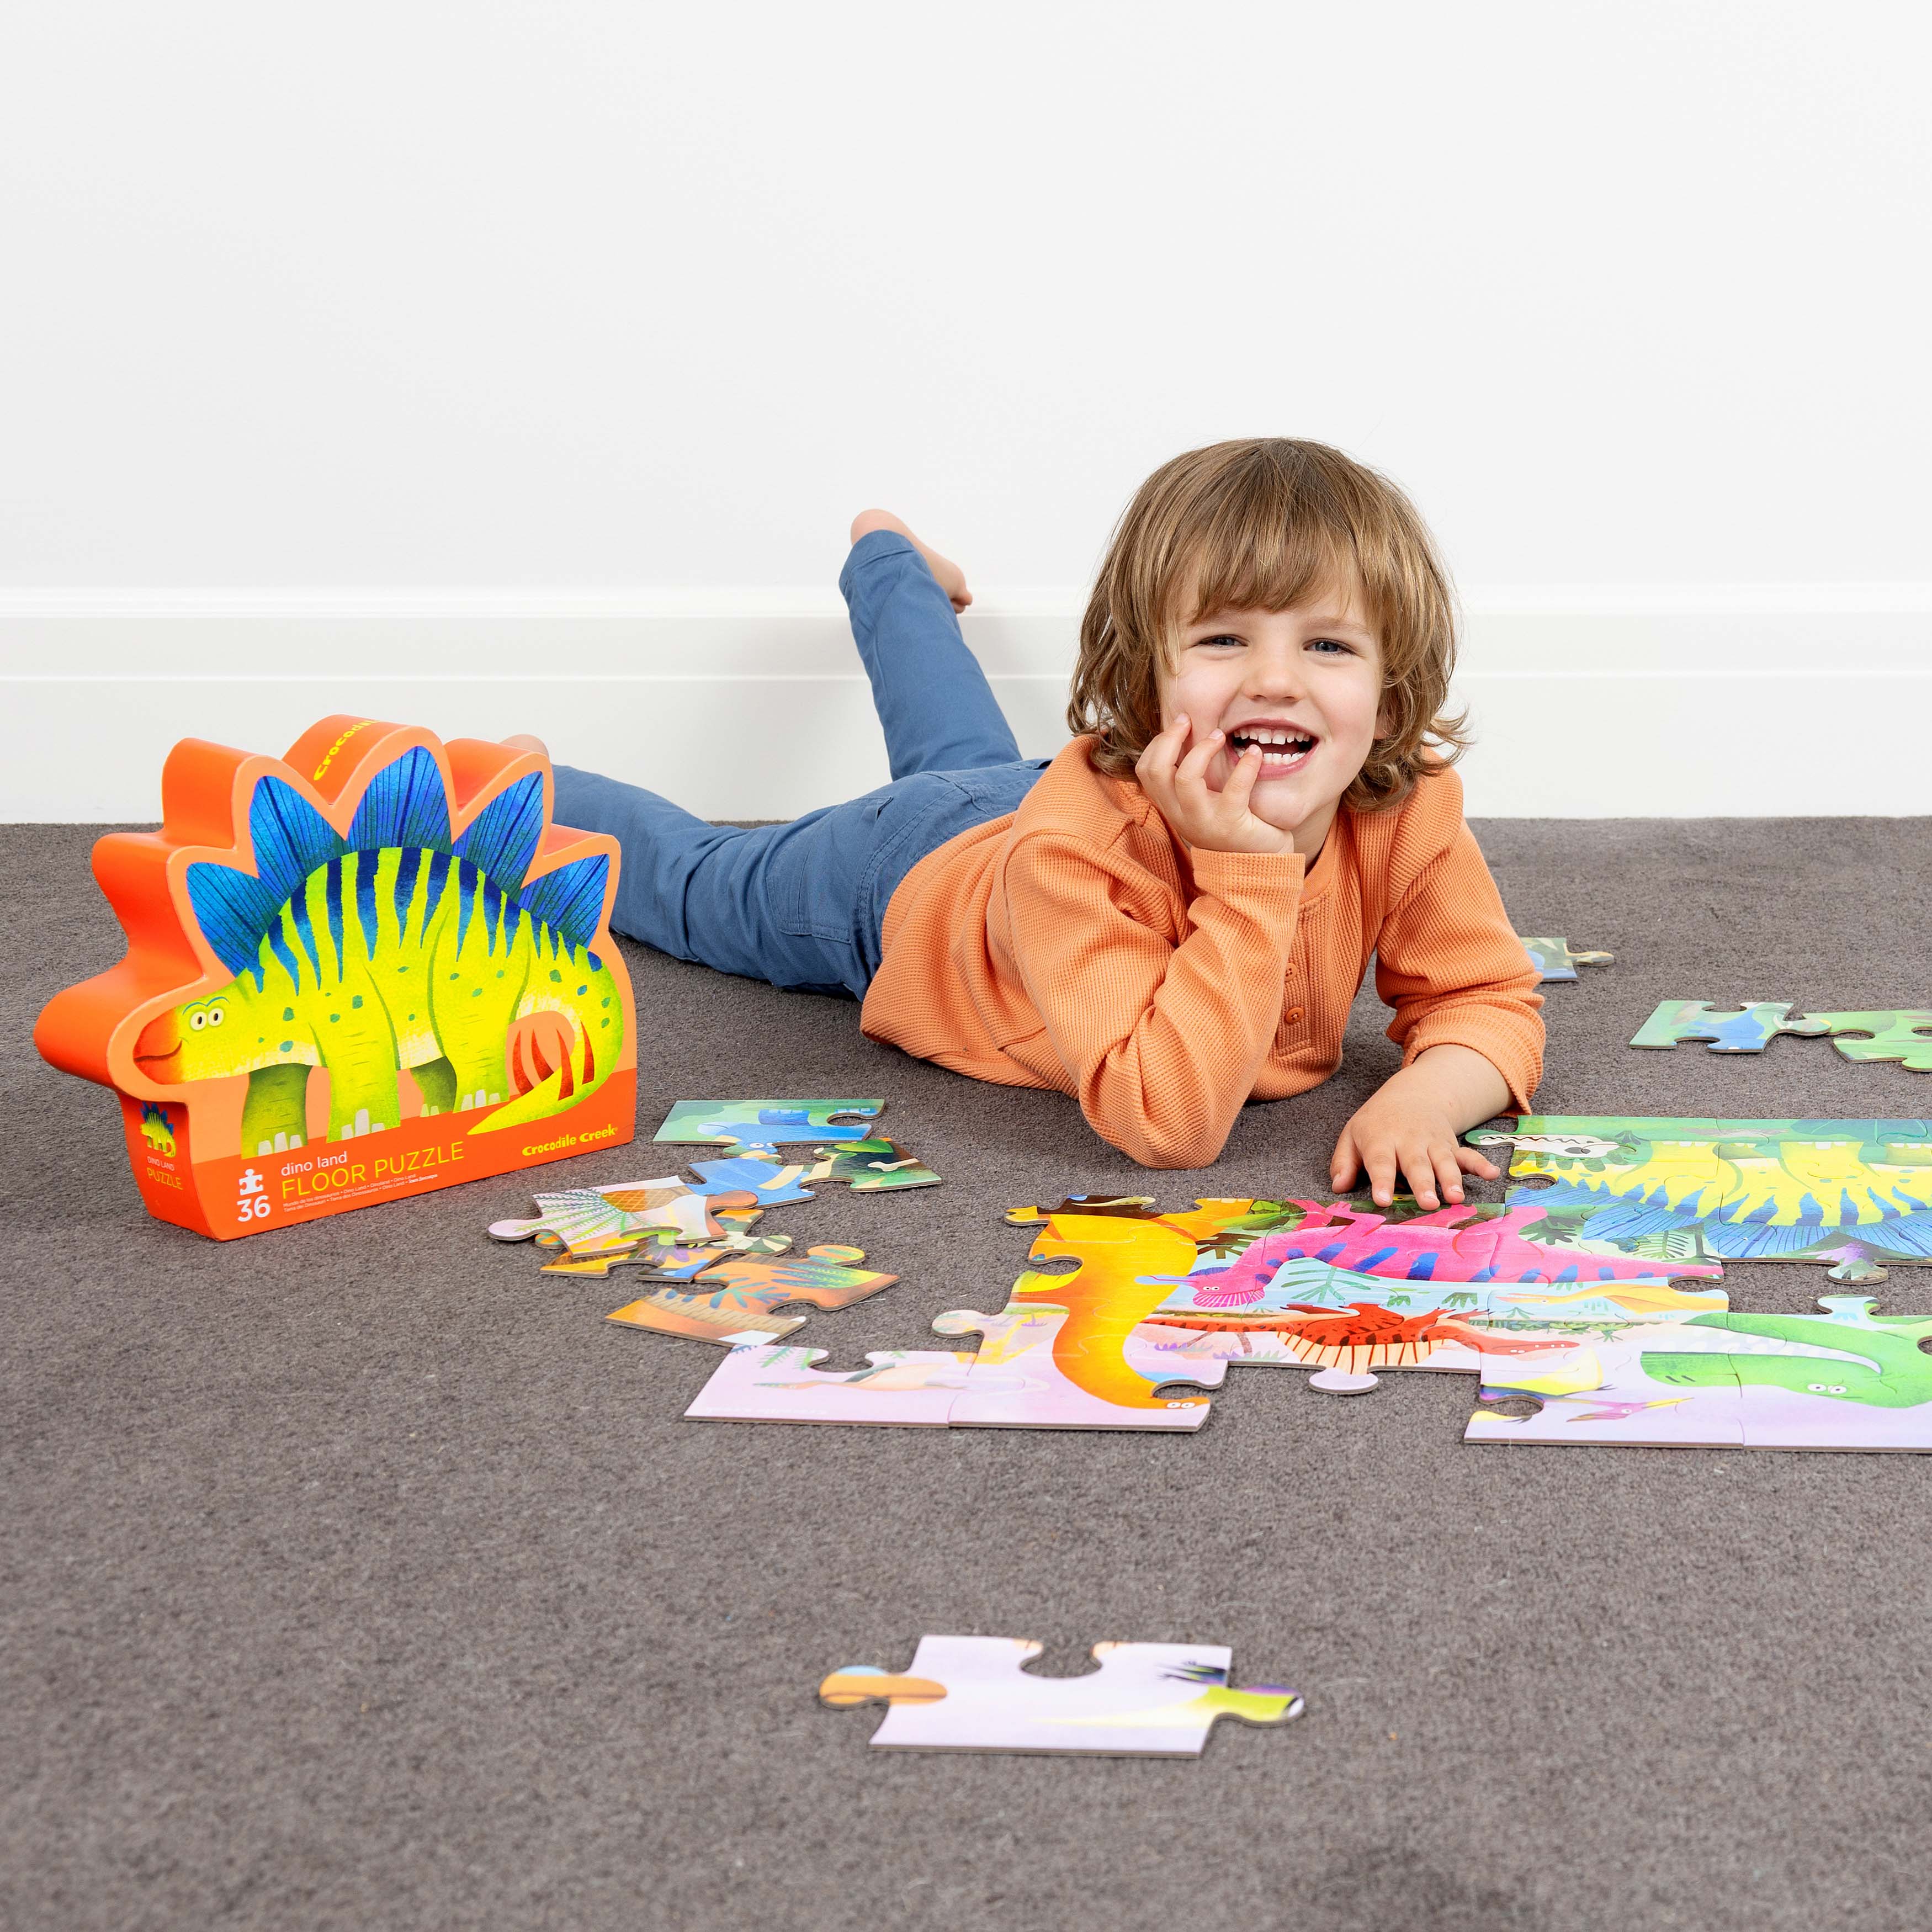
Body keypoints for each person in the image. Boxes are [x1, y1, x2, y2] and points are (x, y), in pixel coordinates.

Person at [554, 438, 1543, 1192]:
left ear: (1391, 683)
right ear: (1147, 678)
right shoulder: (1075, 847)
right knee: (694, 882)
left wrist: (1424, 1097)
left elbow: (1488, 998)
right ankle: (502, 791)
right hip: (896, 882)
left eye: (1329, 646)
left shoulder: (1405, 805)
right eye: (1224, 639)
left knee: (963, 756)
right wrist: (1246, 873)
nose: (1275, 680)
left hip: (1012, 801)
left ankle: (889, 561)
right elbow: (1167, 1123)